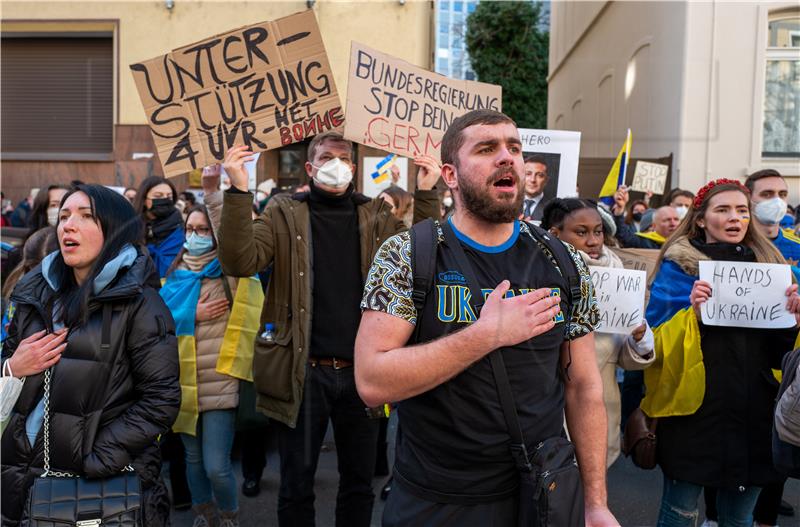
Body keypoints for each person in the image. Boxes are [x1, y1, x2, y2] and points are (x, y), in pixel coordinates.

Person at [355, 109, 617, 525]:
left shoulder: (564, 260)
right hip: (435, 500)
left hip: (540, 496)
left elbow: (584, 386)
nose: (507, 157)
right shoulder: (407, 254)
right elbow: (371, 381)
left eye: (514, 147)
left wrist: (595, 502)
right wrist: (485, 335)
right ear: (451, 174)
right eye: (486, 148)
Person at [216, 131, 441, 527]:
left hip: (363, 373)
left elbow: (422, 259)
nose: (335, 162)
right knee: (296, 485)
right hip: (302, 372)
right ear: (310, 166)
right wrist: (238, 190)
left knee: (358, 485)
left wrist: (426, 193)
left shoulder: (376, 215)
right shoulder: (283, 211)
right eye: (325, 156)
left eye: (343, 156)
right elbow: (241, 261)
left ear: (353, 167)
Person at [0, 184, 181, 526]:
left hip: (102, 486)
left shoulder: (141, 304)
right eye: (64, 215)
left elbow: (161, 400)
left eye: (86, 217)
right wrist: (12, 366)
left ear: (114, 230)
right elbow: (7, 369)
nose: (68, 225)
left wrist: (95, 456)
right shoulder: (34, 295)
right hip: (23, 474)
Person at [641, 178, 800, 526]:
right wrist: (692, 316)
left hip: (756, 413)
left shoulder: (775, 272)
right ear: (701, 218)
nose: (735, 218)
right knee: (679, 513)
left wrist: (793, 321)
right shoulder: (678, 270)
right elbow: (652, 348)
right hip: (693, 415)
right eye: (723, 209)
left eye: (742, 210)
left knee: (740, 518)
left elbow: (782, 359)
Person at [701, 168, 800, 527]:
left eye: (782, 193)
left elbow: (779, 350)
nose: (775, 202)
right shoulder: (684, 262)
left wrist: (793, 318)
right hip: (706, 398)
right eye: (766, 194)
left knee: (755, 485)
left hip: (760, 393)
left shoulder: (779, 258)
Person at [161, 204, 261, 527]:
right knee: (192, 460)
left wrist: (213, 195)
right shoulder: (174, 276)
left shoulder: (229, 274)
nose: (195, 235)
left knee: (216, 465)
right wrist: (192, 314)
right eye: (190, 229)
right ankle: (204, 515)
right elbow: (156, 324)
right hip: (184, 384)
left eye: (203, 230)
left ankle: (229, 515)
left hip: (220, 382)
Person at [542, 198, 655, 467]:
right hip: (546, 414)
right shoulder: (535, 275)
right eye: (581, 232)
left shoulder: (619, 277)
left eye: (598, 231)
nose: (593, 240)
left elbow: (622, 360)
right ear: (556, 234)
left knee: (590, 501)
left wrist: (639, 337)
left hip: (598, 415)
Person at [134, 176, 184, 278]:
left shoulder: (181, 229)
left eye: (169, 196)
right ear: (144, 200)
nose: (165, 199)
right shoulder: (130, 228)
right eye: (158, 196)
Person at [612, 186, 679, 248]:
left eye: (676, 219)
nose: (673, 223)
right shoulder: (642, 242)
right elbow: (623, 234)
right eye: (667, 220)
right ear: (654, 226)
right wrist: (620, 207)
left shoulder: (684, 244)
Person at [520, 153, 549, 221]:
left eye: (540, 175)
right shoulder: (508, 204)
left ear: (546, 180)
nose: (533, 180)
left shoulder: (553, 209)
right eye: (528, 174)